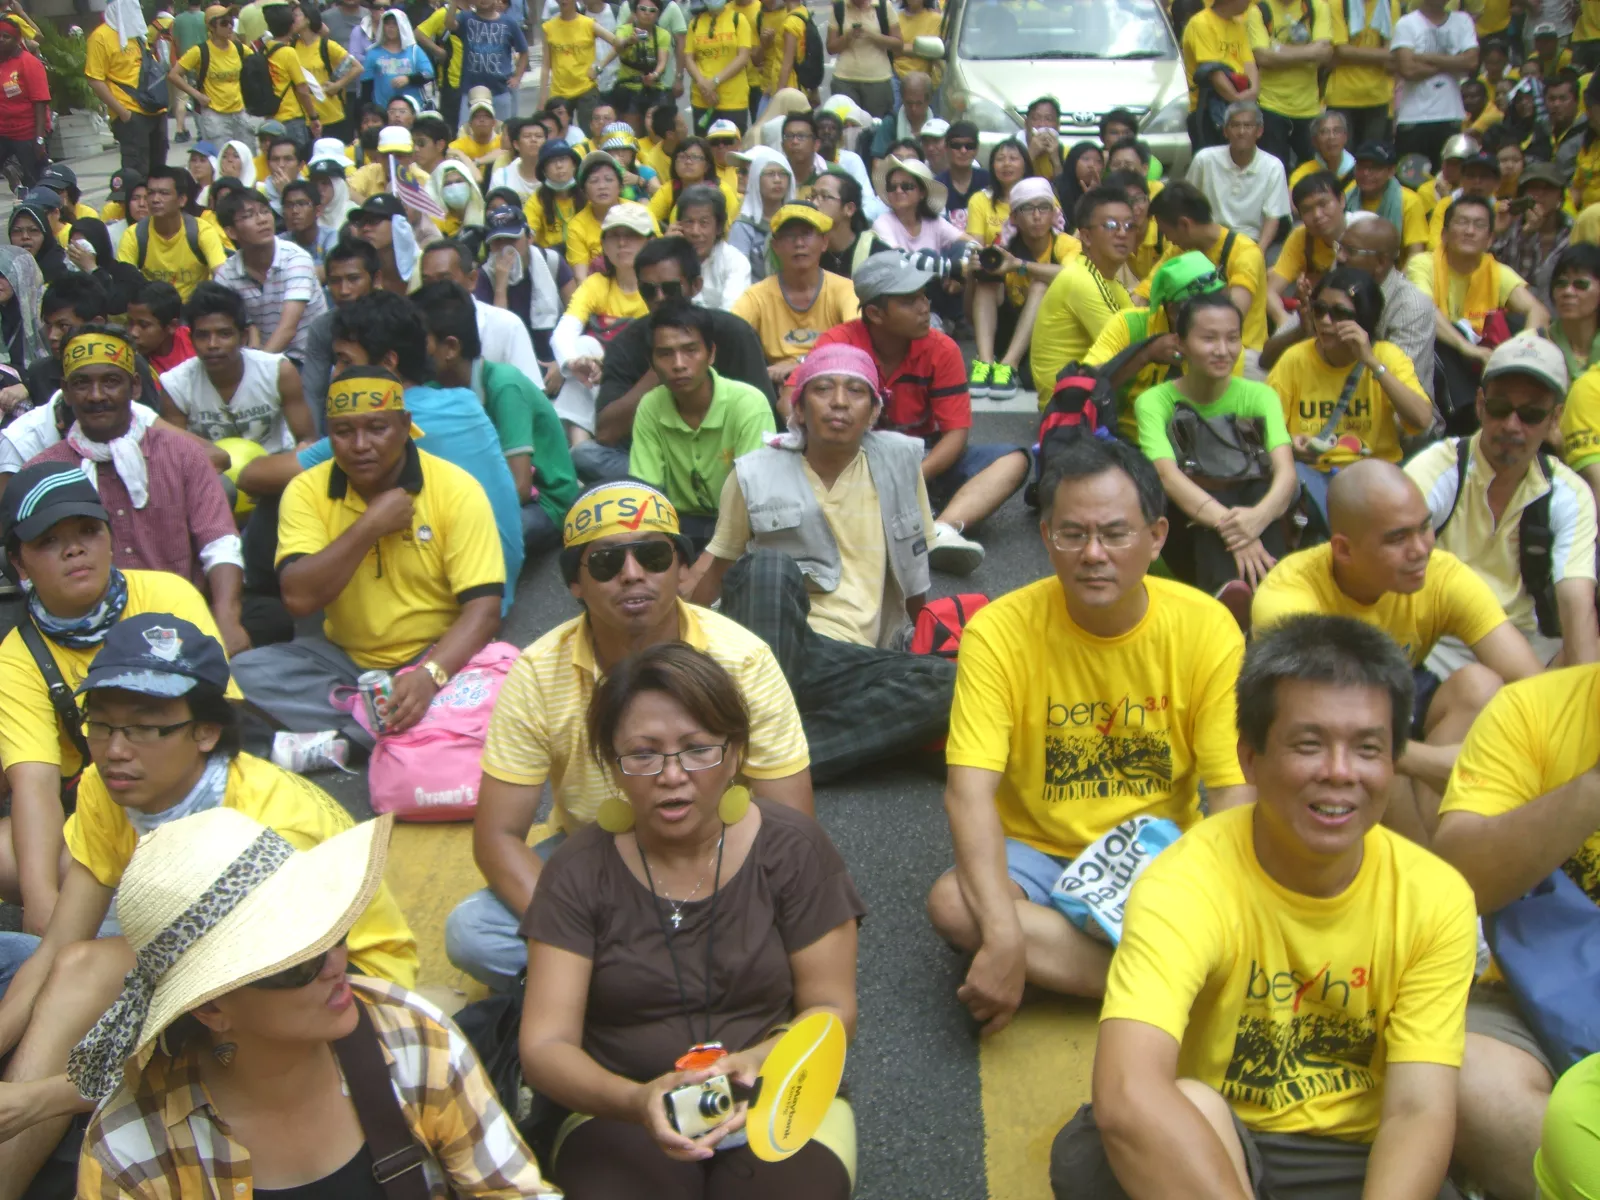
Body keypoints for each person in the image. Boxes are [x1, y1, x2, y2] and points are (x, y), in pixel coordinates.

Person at [1053, 613, 1477, 1200]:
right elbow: (1129, 1092)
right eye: (1309, 745)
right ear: (1250, 758)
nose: (1339, 772)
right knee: (1097, 1153)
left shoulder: (1436, 897)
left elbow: (1417, 1111)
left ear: (1393, 762)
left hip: (1354, 1157)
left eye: (1367, 749)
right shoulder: (1186, 881)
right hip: (1215, 1136)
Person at [0, 613, 419, 1197]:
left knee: (99, 980)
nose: (114, 750)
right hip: (220, 980)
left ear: (204, 731)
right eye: (102, 725)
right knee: (65, 963)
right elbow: (58, 946)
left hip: (333, 992)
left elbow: (218, 1020)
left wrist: (38, 1098)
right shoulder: (105, 787)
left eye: (144, 728)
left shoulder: (265, 830)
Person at [927, 434, 1250, 1025]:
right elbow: (967, 792)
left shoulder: (1206, 628)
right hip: (1036, 851)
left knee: (1234, 900)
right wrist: (1003, 932)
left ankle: (1067, 965)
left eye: (1115, 533)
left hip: (1155, 850)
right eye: (1072, 534)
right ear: (1046, 537)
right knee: (953, 905)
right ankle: (1175, 979)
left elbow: (1232, 791)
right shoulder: (998, 633)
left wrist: (1228, 894)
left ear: (1156, 537)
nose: (1093, 554)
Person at [518, 641, 858, 1196]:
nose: (672, 774)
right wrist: (638, 1100)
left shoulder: (794, 850)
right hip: (620, 1107)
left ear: (736, 754)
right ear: (612, 766)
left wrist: (759, 1060)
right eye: (643, 754)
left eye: (698, 750)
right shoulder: (577, 871)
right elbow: (545, 1046)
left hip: (777, 1089)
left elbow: (833, 1008)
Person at [73, 804, 547, 1198]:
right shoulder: (133, 1151)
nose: (336, 964)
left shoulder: (414, 1041)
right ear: (212, 1009)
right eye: (296, 963)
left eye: (332, 932)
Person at [451, 480, 810, 989]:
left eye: (653, 556)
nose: (632, 574)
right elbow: (497, 837)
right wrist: (593, 936)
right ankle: (662, 985)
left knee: (795, 908)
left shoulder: (743, 660)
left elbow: (791, 824)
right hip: (598, 858)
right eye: (605, 563)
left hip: (720, 853)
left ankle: (609, 992)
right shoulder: (537, 672)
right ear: (575, 584)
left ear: (683, 570)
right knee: (473, 932)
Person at [693, 344, 958, 774]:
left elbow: (914, 568)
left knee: (947, 682)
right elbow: (717, 569)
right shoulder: (753, 473)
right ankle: (797, 742)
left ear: (874, 411)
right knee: (768, 567)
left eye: (856, 390)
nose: (839, 402)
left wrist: (920, 643)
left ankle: (768, 755)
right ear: (798, 409)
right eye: (822, 389)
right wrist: (673, 650)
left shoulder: (900, 464)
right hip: (769, 644)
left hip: (846, 659)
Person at [0, 462, 238, 940]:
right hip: (100, 807)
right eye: (49, 540)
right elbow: (35, 785)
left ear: (110, 537)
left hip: (192, 795)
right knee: (21, 858)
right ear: (19, 564)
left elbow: (225, 729)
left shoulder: (167, 594)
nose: (74, 549)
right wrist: (41, 904)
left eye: (88, 531)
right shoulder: (16, 655)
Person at [1251, 457, 1544, 841]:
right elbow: (1333, 726)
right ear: (1344, 550)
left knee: (1480, 685)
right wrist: (1438, 764)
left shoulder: (1441, 575)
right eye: (1397, 538)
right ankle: (1424, 851)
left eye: (1424, 527)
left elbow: (1532, 685)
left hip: (1397, 702)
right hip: (1320, 734)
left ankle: (1439, 844)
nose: (1420, 549)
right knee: (1381, 760)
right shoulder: (1289, 600)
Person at [229, 365, 507, 749]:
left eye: (377, 428)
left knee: (507, 674)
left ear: (405, 425)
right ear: (328, 433)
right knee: (243, 673)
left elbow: (484, 610)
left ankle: (353, 736)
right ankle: (403, 729)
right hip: (347, 664)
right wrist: (370, 525)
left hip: (437, 654)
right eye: (343, 432)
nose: (360, 445)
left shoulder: (456, 489)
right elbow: (298, 598)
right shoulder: (306, 490)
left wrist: (430, 676)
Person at [1431, 663, 1600, 1200]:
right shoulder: (1532, 711)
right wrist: (1592, 787)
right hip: (1535, 992)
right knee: (1466, 1077)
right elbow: (1458, 883)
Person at [28, 326, 248, 653]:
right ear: (66, 392)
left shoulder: (183, 455)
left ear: (134, 386)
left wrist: (227, 619)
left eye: (111, 381)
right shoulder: (44, 473)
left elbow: (219, 543)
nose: (97, 395)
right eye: (82, 383)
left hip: (180, 623)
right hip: (83, 636)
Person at [817, 253, 1027, 574]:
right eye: (909, 301)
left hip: (923, 459)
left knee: (1015, 460)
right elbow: (794, 404)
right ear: (875, 313)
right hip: (858, 457)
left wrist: (914, 477)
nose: (924, 306)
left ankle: (940, 531)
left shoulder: (942, 348)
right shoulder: (838, 344)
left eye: (924, 296)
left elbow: (956, 433)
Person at [1405, 335, 1597, 674]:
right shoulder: (1437, 468)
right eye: (1499, 408)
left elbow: (1576, 602)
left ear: (1555, 419)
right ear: (1480, 405)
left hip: (1530, 643)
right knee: (1479, 684)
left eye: (1531, 414)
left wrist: (1578, 695)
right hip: (1440, 645)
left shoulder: (1569, 493)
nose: (1511, 425)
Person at [1135, 291, 1296, 594]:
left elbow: (1286, 472)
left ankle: (1257, 595)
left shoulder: (1260, 395)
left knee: (1261, 489)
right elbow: (1166, 476)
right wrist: (1234, 528)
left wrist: (1256, 520)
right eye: (1209, 339)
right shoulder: (1155, 401)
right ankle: (1236, 594)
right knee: (1200, 501)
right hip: (1190, 520)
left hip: (1254, 512)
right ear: (1181, 343)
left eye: (1232, 338)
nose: (1223, 350)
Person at [585, 236, 774, 482]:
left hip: (730, 459)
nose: (659, 298)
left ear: (696, 286)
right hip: (657, 457)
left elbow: (766, 425)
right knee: (585, 455)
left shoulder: (733, 333)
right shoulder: (627, 343)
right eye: (649, 290)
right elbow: (606, 434)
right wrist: (659, 372)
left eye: (670, 289)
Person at [415, 279, 580, 556]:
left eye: (420, 342)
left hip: (546, 501)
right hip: (482, 493)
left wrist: (456, 519)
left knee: (475, 544)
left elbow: (520, 487)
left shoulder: (504, 385)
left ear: (451, 347)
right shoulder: (433, 388)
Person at [1267, 266, 1435, 521]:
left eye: (1339, 314)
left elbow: (1421, 420)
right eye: (1320, 310)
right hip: (1313, 475)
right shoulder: (1295, 359)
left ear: (1363, 320)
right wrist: (1289, 444)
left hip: (1375, 475)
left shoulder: (1387, 356)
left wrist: (1372, 363)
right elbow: (1264, 430)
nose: (1325, 321)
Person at [629, 299, 774, 544]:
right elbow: (645, 494)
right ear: (651, 362)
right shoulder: (651, 406)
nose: (678, 364)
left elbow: (752, 502)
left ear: (711, 353)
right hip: (679, 526)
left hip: (745, 526)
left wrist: (702, 565)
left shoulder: (748, 403)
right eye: (665, 354)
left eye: (690, 350)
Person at [1261, 214, 1438, 397]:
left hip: (1379, 407)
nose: (1340, 257)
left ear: (1381, 262)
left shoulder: (1412, 306)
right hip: (1324, 401)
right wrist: (1302, 330)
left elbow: (1403, 392)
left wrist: (1367, 357)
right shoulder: (1332, 289)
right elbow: (1265, 360)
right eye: (1339, 247)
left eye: (1350, 251)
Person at [1408, 194, 1551, 384]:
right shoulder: (1423, 264)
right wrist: (1466, 347)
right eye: (1462, 222)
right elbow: (1424, 310)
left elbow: (1538, 311)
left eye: (1479, 225)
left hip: (1482, 359)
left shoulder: (1496, 271)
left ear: (1490, 239)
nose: (1470, 231)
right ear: (1444, 235)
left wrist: (1518, 349)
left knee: (1522, 325)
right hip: (1436, 356)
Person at [159, 282, 315, 456]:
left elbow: (307, 442)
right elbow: (177, 455)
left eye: (224, 334)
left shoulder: (278, 371)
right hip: (208, 468)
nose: (212, 344)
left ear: (243, 337)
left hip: (276, 462)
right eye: (202, 335)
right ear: (191, 339)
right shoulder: (176, 385)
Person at [730, 203, 861, 402]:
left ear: (824, 242)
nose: (799, 243)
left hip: (835, 378)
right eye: (789, 236)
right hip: (774, 386)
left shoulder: (845, 289)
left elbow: (857, 337)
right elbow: (731, 334)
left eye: (807, 234)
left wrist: (801, 364)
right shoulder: (756, 296)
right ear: (775, 246)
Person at [1141, 180, 1270, 376]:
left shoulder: (1245, 253)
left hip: (1243, 356)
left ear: (1184, 224)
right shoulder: (1179, 250)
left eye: (1167, 233)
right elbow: (1146, 290)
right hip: (1194, 352)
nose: (1168, 240)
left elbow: (1233, 316)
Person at [552, 202, 654, 440]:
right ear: (604, 244)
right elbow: (565, 331)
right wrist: (573, 362)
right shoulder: (596, 284)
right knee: (583, 347)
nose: (622, 243)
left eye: (632, 235)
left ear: (649, 242)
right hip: (598, 381)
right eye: (614, 236)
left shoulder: (658, 287)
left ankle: (579, 449)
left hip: (643, 382)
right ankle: (580, 445)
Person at [1030, 186, 1136, 401]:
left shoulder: (1109, 282)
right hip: (1071, 407)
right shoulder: (1081, 279)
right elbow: (1126, 349)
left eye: (1129, 225)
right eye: (1111, 225)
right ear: (1086, 236)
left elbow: (1137, 332)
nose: (1123, 233)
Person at [211, 188, 330, 363]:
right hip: (267, 357)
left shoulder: (296, 258)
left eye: (265, 211)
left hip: (308, 358)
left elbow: (288, 329)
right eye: (249, 215)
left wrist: (256, 369)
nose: (262, 220)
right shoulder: (227, 275)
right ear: (231, 232)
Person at [419, 240, 545, 382]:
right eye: (427, 282)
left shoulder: (507, 325)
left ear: (472, 280)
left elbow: (529, 388)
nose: (435, 289)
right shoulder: (415, 328)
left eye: (445, 280)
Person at [1184, 101, 1290, 247]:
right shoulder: (1204, 160)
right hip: (1210, 239)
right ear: (1225, 131)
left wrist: (1258, 252)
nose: (1241, 132)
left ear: (1259, 131)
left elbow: (1273, 217)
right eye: (1235, 125)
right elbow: (1187, 203)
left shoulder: (1273, 166)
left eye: (1248, 126)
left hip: (1250, 242)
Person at [115, 166, 228, 303]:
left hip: (193, 310)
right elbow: (124, 282)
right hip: (153, 310)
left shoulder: (201, 232)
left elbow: (222, 275)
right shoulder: (133, 235)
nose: (155, 199)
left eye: (164, 193)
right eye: (150, 193)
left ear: (182, 200)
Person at [86, 0, 171, 177]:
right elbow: (95, 79)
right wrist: (123, 113)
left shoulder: (137, 33)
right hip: (131, 113)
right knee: (137, 173)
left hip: (156, 109)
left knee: (159, 172)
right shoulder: (100, 37)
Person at [1392, 0, 1480, 170]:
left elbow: (1471, 62)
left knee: (1450, 177)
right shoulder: (1406, 23)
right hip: (1413, 119)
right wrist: (1453, 62)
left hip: (1451, 115)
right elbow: (1408, 69)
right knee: (1412, 180)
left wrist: (1425, 57)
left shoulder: (1463, 21)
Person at [1246, 0, 1332, 170]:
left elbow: (1325, 53)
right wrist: (1310, 52)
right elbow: (1263, 57)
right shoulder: (1259, 11)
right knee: (1274, 171)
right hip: (1271, 106)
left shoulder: (1317, 7)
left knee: (1314, 172)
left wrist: (1278, 49)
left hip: (1309, 108)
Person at [300, 237, 376, 426]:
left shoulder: (399, 319)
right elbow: (313, 393)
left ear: (377, 279)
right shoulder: (323, 327)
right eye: (335, 281)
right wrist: (313, 440)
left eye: (353, 279)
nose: (344, 290)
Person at [167, 4, 256, 147]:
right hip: (214, 115)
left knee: (247, 153)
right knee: (220, 156)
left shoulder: (239, 48)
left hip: (240, 112)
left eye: (231, 22)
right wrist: (197, 95)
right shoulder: (200, 51)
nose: (230, 26)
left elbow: (257, 62)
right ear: (212, 27)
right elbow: (174, 75)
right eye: (224, 23)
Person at [1267, 170, 1345, 327]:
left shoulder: (1360, 232)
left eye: (1323, 204)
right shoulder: (1301, 237)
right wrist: (1285, 322)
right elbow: (1270, 291)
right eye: (1307, 210)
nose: (1317, 215)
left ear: (1341, 200)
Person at [1492, 161, 1572, 310]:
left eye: (1548, 188)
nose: (1540, 194)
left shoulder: (1573, 230)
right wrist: (1525, 235)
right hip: (1513, 313)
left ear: (1560, 196)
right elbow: (1501, 277)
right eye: (1534, 187)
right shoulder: (1509, 226)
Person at [1181, 0, 1258, 149]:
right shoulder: (1201, 23)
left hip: (1240, 109)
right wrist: (1237, 99)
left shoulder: (1238, 25)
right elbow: (1212, 72)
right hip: (1209, 112)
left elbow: (1249, 63)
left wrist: (1253, 91)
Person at [1326, 0, 1403, 145]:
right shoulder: (1337, 3)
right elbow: (1341, 50)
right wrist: (1383, 55)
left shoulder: (1390, 4)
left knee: (1373, 157)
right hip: (1342, 97)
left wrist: (1351, 54)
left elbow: (1394, 52)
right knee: (1342, 156)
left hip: (1378, 97)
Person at [540, 0, 622, 132]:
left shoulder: (588, 23)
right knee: (558, 132)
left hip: (586, 88)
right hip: (559, 91)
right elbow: (545, 65)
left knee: (591, 133)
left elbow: (618, 44)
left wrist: (599, 67)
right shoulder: (548, 27)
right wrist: (543, 97)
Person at [445, 0, 529, 125]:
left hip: (499, 90)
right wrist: (454, 3)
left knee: (502, 130)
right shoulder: (465, 18)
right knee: (466, 131)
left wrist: (517, 77)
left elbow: (523, 51)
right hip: (471, 91)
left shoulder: (509, 23)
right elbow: (449, 24)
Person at [869, 154, 968, 256]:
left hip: (936, 265)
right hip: (900, 266)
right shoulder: (882, 223)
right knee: (928, 254)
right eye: (892, 187)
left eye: (906, 186)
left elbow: (969, 242)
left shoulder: (934, 222)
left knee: (961, 247)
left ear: (922, 193)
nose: (898, 191)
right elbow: (897, 258)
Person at [1345, 140, 1429, 258]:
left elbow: (1416, 254)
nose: (1366, 173)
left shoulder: (1409, 201)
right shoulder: (1349, 193)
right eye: (1361, 166)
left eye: (1374, 168)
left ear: (1391, 171)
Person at [674, 184, 752, 309]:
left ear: (719, 227)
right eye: (689, 222)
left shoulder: (735, 262)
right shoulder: (672, 261)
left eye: (704, 223)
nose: (695, 232)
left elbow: (731, 314)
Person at [259, 2, 321, 151]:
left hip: (271, 117)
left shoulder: (265, 49)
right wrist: (313, 116)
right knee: (296, 156)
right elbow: (302, 89)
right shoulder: (288, 52)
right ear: (291, 26)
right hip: (291, 117)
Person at [684, 0, 755, 130]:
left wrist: (715, 81)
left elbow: (743, 57)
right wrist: (703, 86)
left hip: (733, 100)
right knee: (704, 142)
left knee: (732, 141)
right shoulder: (694, 23)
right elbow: (688, 58)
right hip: (702, 99)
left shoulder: (738, 20)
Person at [810, 168, 889, 278]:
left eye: (825, 196)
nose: (814, 203)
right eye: (813, 196)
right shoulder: (809, 250)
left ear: (849, 209)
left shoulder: (876, 254)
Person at [827, 0, 900, 118]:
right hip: (845, 79)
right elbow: (831, 48)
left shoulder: (883, 6)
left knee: (876, 124)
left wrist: (872, 35)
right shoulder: (839, 7)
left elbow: (898, 45)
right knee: (847, 124)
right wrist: (848, 36)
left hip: (878, 80)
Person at [0, 16, 48, 191]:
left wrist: (39, 138)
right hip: (3, 130)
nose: (1, 40)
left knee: (34, 180)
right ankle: (13, 172)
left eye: (6, 36)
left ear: (17, 39)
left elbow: (40, 101)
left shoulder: (29, 63)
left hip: (26, 132)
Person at [361, 7, 433, 113]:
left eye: (395, 24)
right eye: (387, 24)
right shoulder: (373, 53)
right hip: (383, 111)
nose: (391, 27)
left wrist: (409, 79)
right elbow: (366, 85)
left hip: (411, 111)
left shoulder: (414, 50)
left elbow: (429, 73)